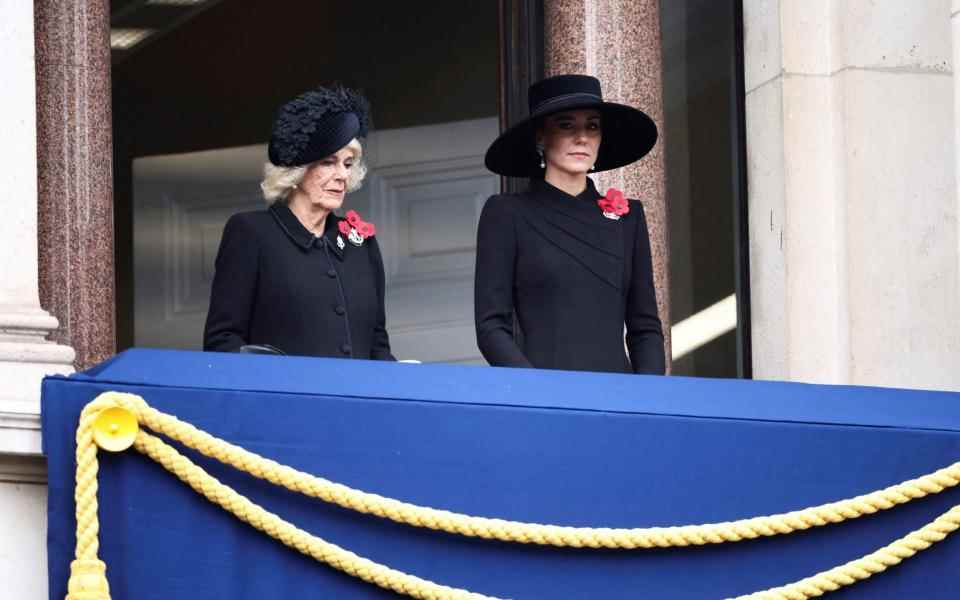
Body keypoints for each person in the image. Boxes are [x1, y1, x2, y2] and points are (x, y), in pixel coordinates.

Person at [475, 74, 664, 374]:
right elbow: (490, 327)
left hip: (619, 399)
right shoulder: (507, 214)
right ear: (541, 137)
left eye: (592, 126)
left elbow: (645, 328)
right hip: (545, 398)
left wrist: (648, 400)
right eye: (566, 125)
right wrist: (537, 392)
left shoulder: (629, 218)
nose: (582, 137)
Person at [203, 85, 395, 360]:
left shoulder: (360, 241)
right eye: (329, 162)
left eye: (348, 163)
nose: (342, 175)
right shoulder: (252, 233)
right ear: (296, 170)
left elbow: (378, 344)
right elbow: (223, 342)